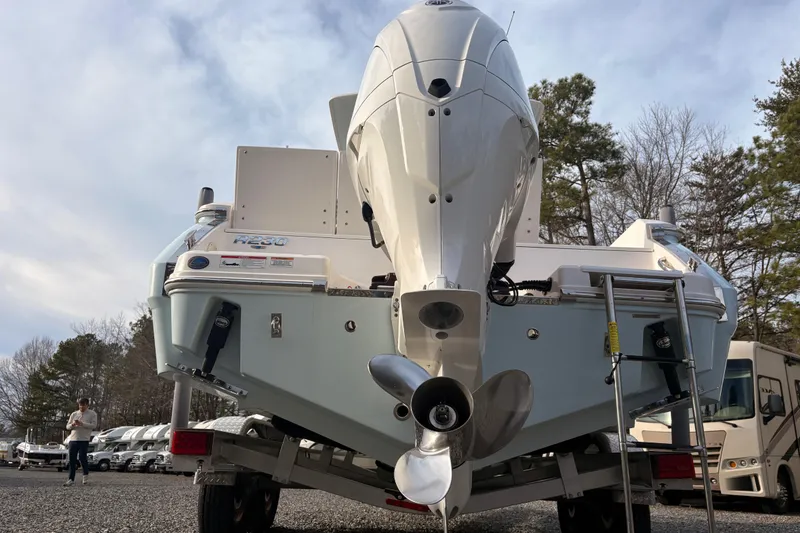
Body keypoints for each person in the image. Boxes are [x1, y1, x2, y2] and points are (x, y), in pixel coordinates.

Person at [64, 398, 97, 486]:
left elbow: (93, 425)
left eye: (83, 405)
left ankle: (85, 476)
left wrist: (82, 424)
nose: (81, 407)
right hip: (73, 439)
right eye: (80, 405)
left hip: (84, 439)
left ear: (87, 405)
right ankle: (71, 479)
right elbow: (67, 426)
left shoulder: (92, 414)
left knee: (82, 458)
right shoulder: (74, 414)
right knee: (72, 460)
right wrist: (73, 425)